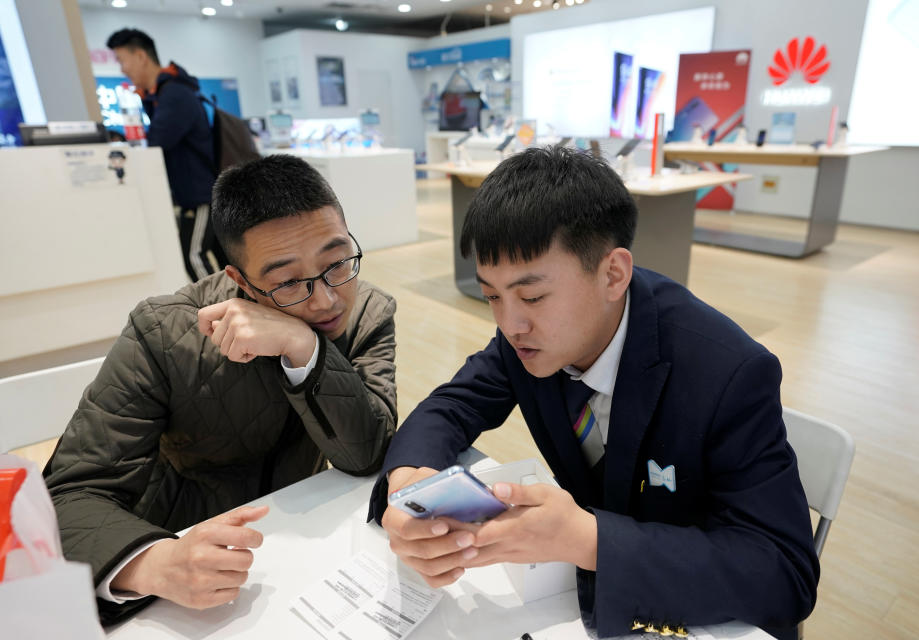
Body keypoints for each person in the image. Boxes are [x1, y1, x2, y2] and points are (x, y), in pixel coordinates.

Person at [368, 146, 819, 640]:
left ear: (613, 274)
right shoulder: (529, 338)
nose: (509, 323)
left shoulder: (728, 371)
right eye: (492, 295)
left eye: (533, 295)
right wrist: (410, 486)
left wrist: (589, 539)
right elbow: (453, 405)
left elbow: (784, 574)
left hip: (702, 615)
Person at [45, 154, 397, 624]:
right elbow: (68, 496)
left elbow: (368, 455)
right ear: (240, 280)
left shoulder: (367, 313)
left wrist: (304, 345)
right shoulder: (163, 332)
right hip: (176, 555)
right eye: (289, 282)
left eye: (337, 261)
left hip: (301, 555)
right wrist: (154, 563)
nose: (328, 298)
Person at [107, 27, 227, 281]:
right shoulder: (163, 94)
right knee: (214, 256)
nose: (122, 69)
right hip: (194, 193)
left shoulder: (174, 93)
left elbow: (158, 142)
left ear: (140, 56)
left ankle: (224, 314)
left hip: (199, 194)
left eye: (121, 60)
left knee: (194, 256)